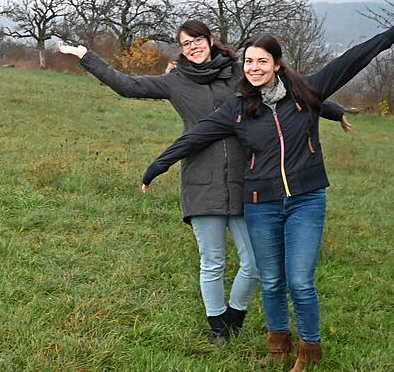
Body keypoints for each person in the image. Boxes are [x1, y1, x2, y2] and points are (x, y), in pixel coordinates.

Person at [58, 20, 349, 345]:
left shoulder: (240, 73)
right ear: (181, 49)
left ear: (210, 40)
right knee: (212, 260)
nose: (193, 46)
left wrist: (334, 111)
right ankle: (218, 328)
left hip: (246, 178)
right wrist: (86, 56)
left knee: (253, 263)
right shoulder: (175, 82)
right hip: (201, 179)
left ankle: (235, 315)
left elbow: (287, 92)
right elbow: (128, 85)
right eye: (185, 43)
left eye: (197, 39)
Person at [142, 26, 394, 369]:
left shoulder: (307, 91)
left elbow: (354, 58)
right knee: (272, 279)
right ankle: (278, 345)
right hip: (261, 203)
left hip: (306, 200)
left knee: (300, 282)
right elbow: (197, 136)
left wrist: (389, 35)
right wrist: (157, 166)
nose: (254, 67)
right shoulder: (238, 107)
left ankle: (309, 349)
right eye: (248, 61)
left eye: (262, 61)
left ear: (277, 64)